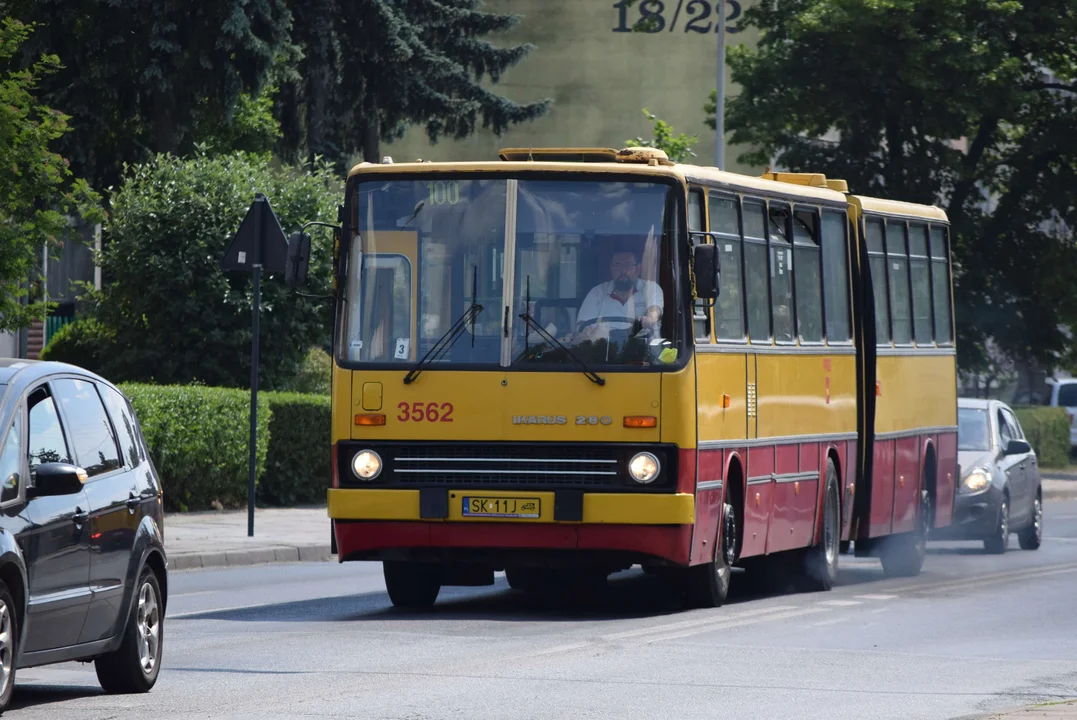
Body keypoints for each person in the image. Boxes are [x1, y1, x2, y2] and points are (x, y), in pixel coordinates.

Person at [575, 248, 663, 340]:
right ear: (611, 268)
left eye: (628, 265)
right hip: (604, 350)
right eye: (618, 265)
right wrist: (587, 332)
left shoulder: (650, 288)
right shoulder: (597, 292)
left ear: (638, 269)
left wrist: (649, 319)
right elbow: (583, 325)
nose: (623, 270)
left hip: (645, 350)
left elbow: (654, 310)